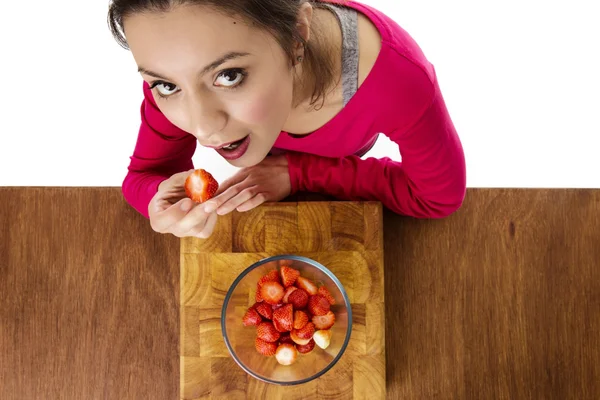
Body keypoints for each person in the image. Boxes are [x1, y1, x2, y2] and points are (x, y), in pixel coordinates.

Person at [107, 0, 466, 239]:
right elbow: (144, 175)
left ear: (297, 36)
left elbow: (437, 197)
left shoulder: (397, 79)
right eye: (166, 85)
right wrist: (158, 200)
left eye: (229, 75)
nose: (202, 129)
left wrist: (300, 172)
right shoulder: (183, 66)